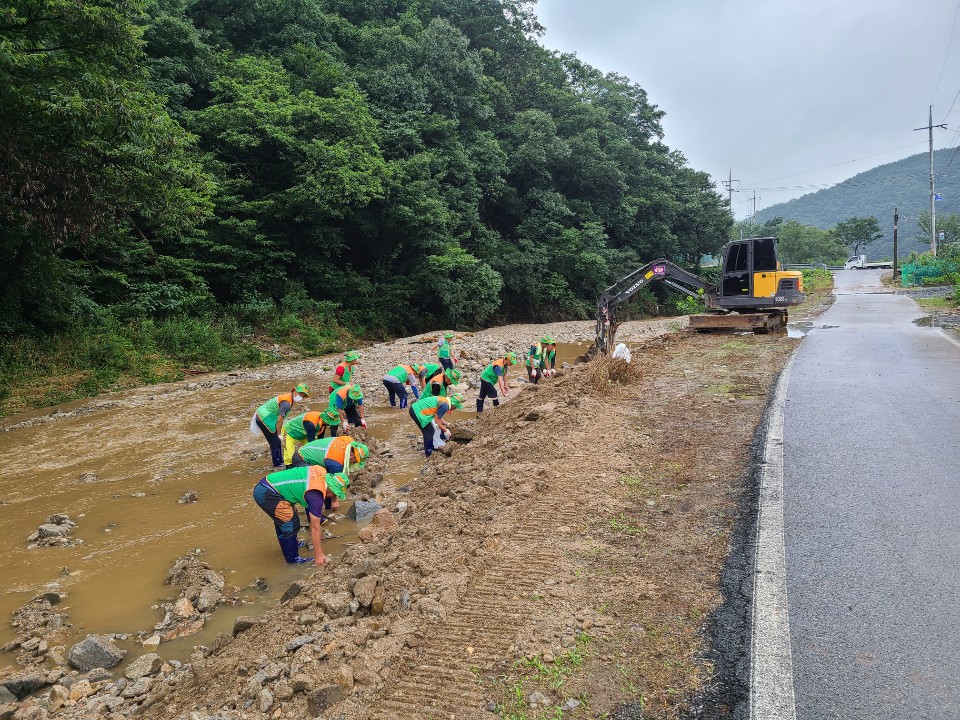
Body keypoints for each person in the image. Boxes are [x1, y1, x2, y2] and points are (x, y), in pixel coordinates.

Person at [252, 465, 349, 565]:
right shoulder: (315, 494)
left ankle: (290, 546)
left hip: (267, 484)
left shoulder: (322, 472)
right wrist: (319, 554)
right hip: (266, 492)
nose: (331, 496)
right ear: (330, 488)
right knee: (291, 524)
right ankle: (293, 561)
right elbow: (315, 527)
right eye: (333, 494)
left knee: (284, 521)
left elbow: (299, 483)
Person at [253, 384, 310, 468]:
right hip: (264, 418)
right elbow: (280, 420)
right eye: (300, 393)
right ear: (294, 391)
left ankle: (279, 460)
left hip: (268, 415)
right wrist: (279, 433)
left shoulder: (289, 398)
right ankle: (277, 463)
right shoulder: (287, 403)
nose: (300, 396)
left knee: (276, 440)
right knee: (275, 441)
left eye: (303, 395)